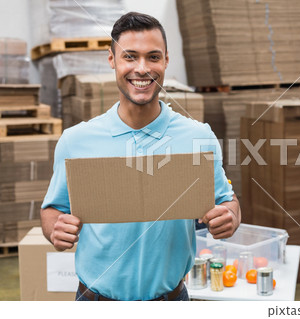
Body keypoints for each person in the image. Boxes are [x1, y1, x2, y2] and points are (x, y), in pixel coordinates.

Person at [40, 12, 241, 301]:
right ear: (112, 59)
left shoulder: (199, 138)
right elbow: (52, 210)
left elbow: (227, 201)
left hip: (170, 301)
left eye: (153, 57)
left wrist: (230, 216)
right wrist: (55, 229)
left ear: (166, 61)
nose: (142, 68)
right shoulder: (76, 141)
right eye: (130, 56)